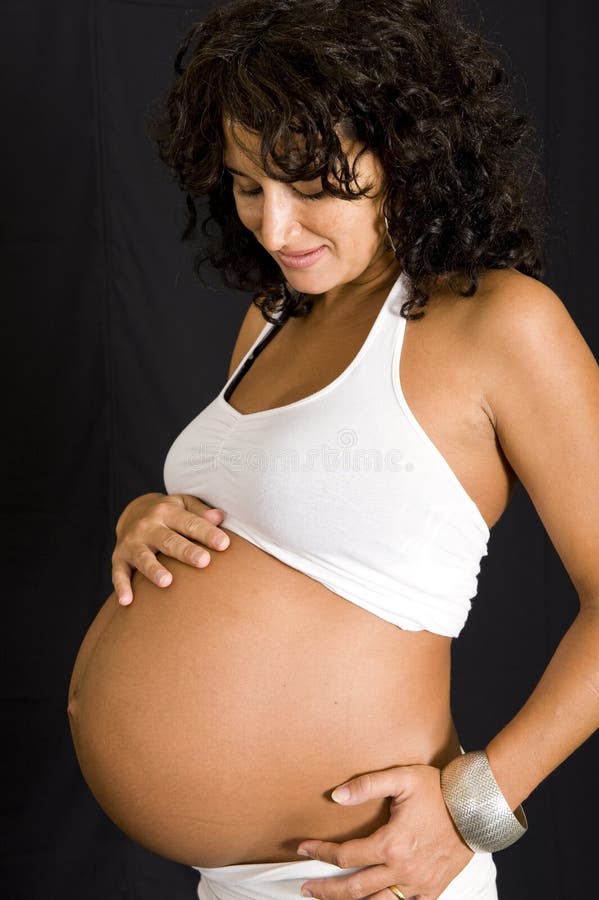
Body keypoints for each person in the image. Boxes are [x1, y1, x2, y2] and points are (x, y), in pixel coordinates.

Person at [67, 2, 599, 899]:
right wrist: (145, 520)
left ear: (406, 155)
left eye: (311, 184)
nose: (274, 228)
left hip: (369, 876)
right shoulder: (271, 320)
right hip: (231, 883)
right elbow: (263, 526)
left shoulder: (500, 321)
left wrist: (474, 808)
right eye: (247, 186)